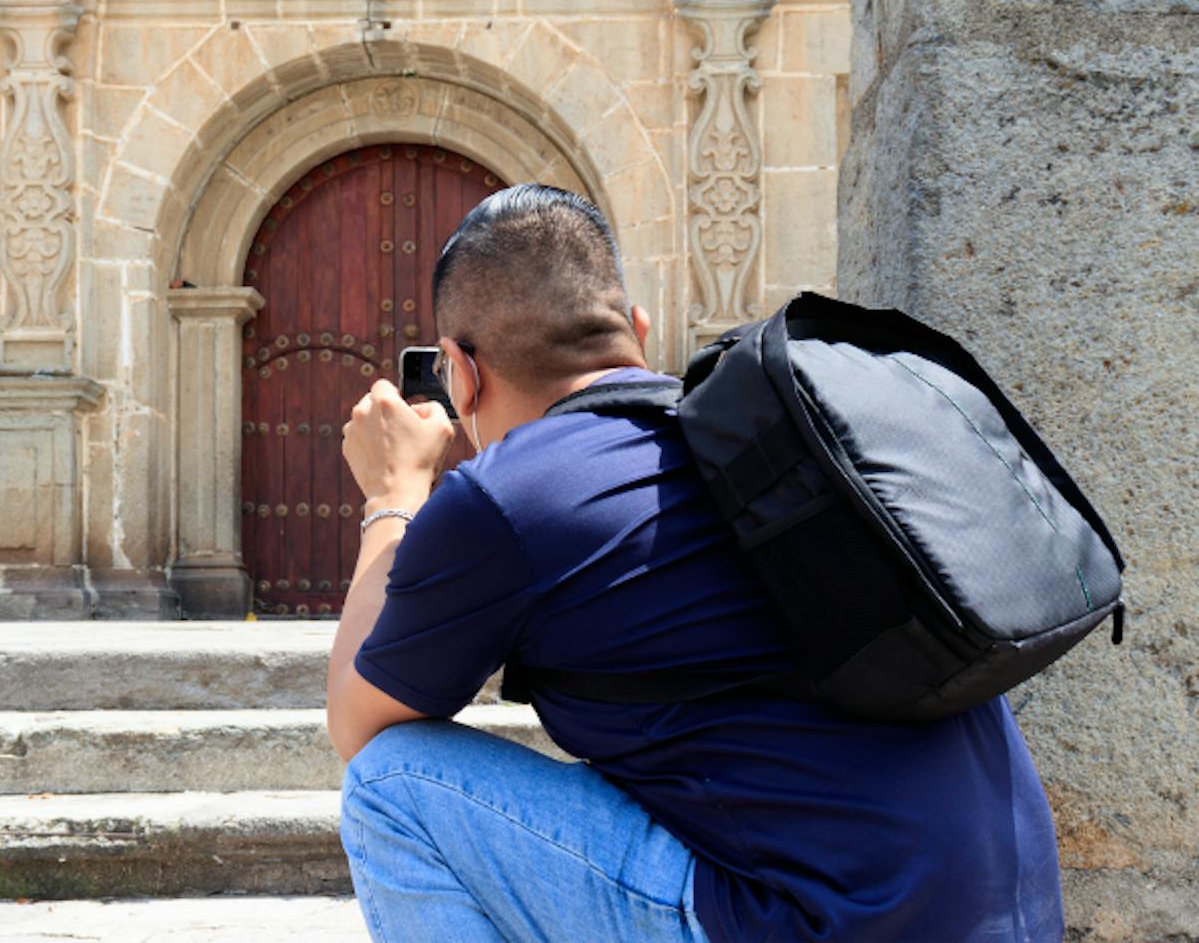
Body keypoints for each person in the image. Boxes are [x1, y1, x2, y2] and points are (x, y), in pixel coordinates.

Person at [326, 183, 1063, 942]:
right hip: (1009, 914)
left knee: (391, 783)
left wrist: (395, 495)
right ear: (637, 332)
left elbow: (359, 724)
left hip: (821, 923)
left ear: (461, 372)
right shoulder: (760, 446)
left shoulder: (507, 494)